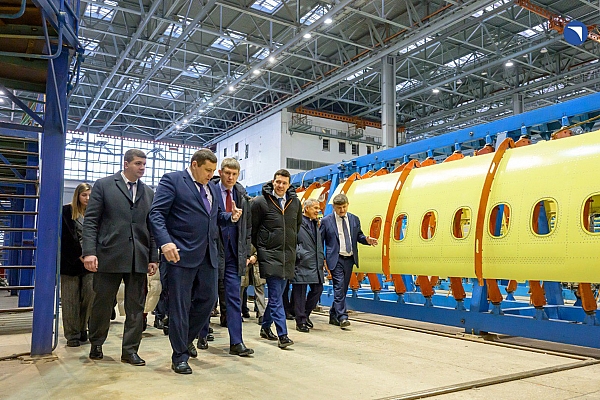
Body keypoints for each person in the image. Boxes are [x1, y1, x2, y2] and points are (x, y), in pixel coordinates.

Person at [150, 149, 242, 375]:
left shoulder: (211, 188)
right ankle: (179, 355)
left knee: (208, 300)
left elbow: (215, 216)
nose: (211, 175)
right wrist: (165, 242)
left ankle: (185, 339)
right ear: (194, 165)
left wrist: (230, 217)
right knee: (180, 306)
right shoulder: (173, 181)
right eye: (208, 170)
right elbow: (156, 214)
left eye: (213, 171)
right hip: (180, 254)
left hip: (208, 255)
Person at [82, 149, 158, 365]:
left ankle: (130, 350)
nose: (142, 168)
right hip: (109, 254)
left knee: (136, 307)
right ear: (126, 164)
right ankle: (96, 342)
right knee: (103, 303)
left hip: (138, 257)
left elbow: (151, 227)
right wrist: (89, 252)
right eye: (138, 163)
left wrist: (153, 257)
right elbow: (91, 221)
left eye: (144, 164)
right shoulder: (104, 185)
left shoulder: (148, 192)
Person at [196, 157, 253, 356]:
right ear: (220, 172)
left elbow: (247, 228)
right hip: (212, 252)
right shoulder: (208, 191)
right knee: (208, 297)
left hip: (234, 255)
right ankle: (202, 334)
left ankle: (236, 342)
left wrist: (246, 253)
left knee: (234, 299)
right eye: (227, 173)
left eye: (234, 174)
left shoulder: (242, 196)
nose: (230, 177)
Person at [251, 169, 302, 349]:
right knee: (275, 295)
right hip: (269, 254)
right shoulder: (260, 202)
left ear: (289, 185)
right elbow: (253, 229)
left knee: (277, 295)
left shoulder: (295, 203)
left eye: (284, 183)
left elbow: (296, 227)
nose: (280, 185)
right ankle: (283, 335)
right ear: (273, 182)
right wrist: (260, 249)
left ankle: (265, 327)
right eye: (278, 182)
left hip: (287, 255)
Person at [319, 193, 377, 329]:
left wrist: (366, 240)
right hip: (336, 258)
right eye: (339, 208)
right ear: (334, 207)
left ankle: (333, 314)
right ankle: (342, 317)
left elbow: (358, 236)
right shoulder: (326, 221)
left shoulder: (354, 219)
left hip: (349, 258)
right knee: (339, 286)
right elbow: (320, 241)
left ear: (348, 205)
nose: (342, 210)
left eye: (344, 207)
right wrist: (321, 260)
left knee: (343, 288)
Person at [60, 182, 94, 347]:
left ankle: (82, 328)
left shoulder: (94, 213)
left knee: (89, 296)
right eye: (84, 195)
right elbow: (65, 237)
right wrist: (80, 255)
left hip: (91, 262)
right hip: (70, 261)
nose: (87, 198)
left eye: (90, 195)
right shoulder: (67, 211)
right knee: (70, 299)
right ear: (77, 196)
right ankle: (72, 335)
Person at [291, 199, 325, 333]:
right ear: (306, 209)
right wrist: (300, 254)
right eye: (315, 208)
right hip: (301, 263)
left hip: (314, 262)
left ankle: (304, 314)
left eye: (318, 208)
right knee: (300, 293)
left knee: (318, 289)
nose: (318, 211)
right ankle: (300, 321)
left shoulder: (315, 223)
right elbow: (291, 241)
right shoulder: (297, 223)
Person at [240, 244, 266, 324]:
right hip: (242, 260)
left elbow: (264, 245)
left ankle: (262, 314)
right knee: (240, 289)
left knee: (259, 288)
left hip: (257, 263)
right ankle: (237, 313)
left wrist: (256, 256)